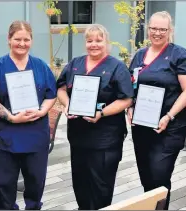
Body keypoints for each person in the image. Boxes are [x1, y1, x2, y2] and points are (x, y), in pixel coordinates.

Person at [0, 20, 56, 210]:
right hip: (6, 135)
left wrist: (42, 111)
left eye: (26, 39)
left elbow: (51, 95)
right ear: (9, 39)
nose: (21, 44)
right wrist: (12, 117)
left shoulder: (41, 66)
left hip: (35, 133)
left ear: (31, 40)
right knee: (4, 185)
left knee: (35, 182)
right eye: (17, 39)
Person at [56, 24, 133, 210]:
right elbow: (61, 88)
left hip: (105, 138)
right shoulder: (75, 64)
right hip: (79, 136)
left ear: (106, 42)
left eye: (99, 40)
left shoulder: (117, 67)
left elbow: (127, 99)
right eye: (90, 40)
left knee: (101, 186)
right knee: (80, 183)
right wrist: (67, 104)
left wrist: (102, 113)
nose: (94, 44)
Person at [127, 11, 186, 210]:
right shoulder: (140, 55)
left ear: (170, 31)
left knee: (159, 175)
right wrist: (130, 108)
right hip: (141, 126)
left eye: (162, 29)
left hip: (169, 127)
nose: (157, 33)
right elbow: (131, 85)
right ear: (148, 29)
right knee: (146, 177)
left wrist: (169, 115)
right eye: (153, 28)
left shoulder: (179, 55)